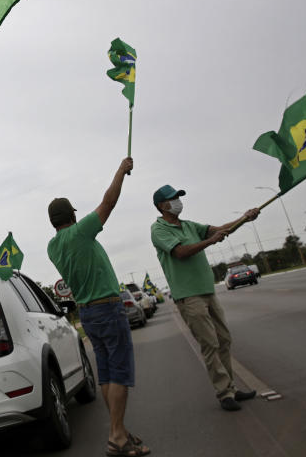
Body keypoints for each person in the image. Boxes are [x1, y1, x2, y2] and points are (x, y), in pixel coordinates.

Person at [46, 157, 150, 457]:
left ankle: (121, 431)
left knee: (105, 374)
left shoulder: (53, 246)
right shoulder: (81, 232)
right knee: (119, 372)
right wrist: (120, 171)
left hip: (88, 313)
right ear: (72, 216)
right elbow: (109, 202)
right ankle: (117, 435)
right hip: (106, 308)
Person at [149, 184, 260, 412]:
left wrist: (244, 219)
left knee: (224, 339)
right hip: (189, 296)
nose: (178, 201)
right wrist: (210, 241)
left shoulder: (189, 225)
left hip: (207, 290)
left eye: (178, 197)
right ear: (162, 206)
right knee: (210, 343)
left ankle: (230, 387)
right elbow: (180, 252)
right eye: (173, 198)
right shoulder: (158, 229)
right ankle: (224, 393)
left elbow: (220, 230)